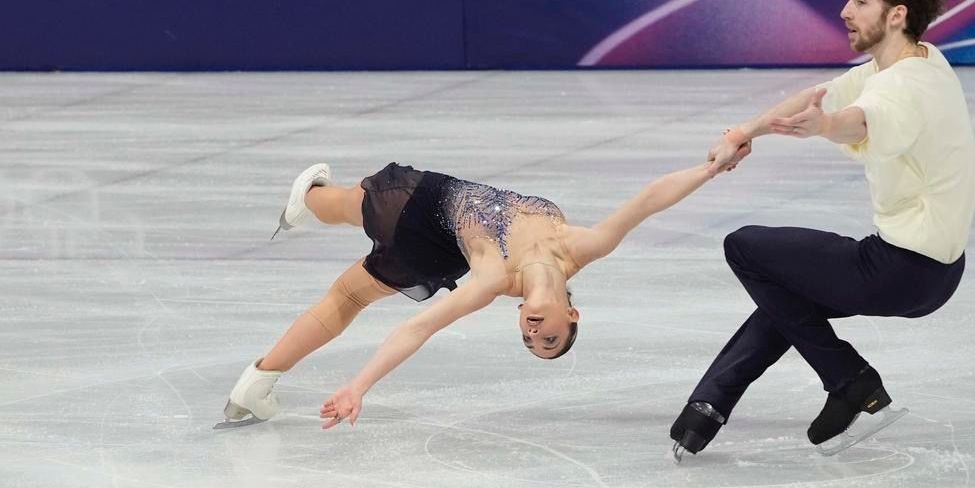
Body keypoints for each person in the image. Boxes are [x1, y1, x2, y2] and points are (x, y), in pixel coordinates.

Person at [670, 0, 975, 459]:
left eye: (860, 1)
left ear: (896, 14)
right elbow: (821, 94)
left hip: (900, 269)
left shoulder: (901, 87)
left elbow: (861, 119)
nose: (844, 11)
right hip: (940, 272)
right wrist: (745, 132)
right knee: (789, 297)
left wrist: (826, 126)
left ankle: (849, 378)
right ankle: (706, 408)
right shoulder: (921, 60)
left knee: (745, 247)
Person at [220, 148, 749, 430]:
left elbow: (417, 328)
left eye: (529, 340)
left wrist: (358, 386)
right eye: (548, 339)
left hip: (421, 205)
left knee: (336, 218)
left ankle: (306, 199)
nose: (534, 332)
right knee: (350, 290)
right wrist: (711, 168)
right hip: (437, 242)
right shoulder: (584, 246)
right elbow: (650, 200)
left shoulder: (496, 278)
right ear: (573, 316)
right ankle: (258, 381)